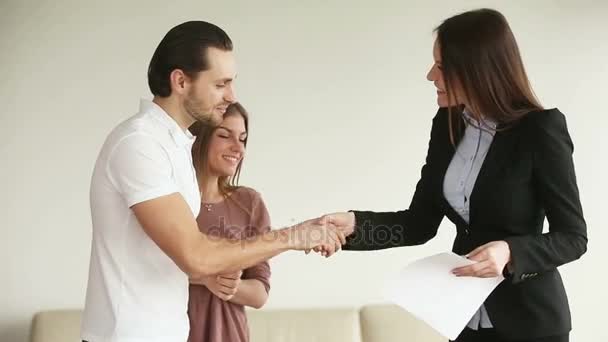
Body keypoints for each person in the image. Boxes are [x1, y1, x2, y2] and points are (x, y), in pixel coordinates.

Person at [321, 8, 587, 342]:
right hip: (464, 320)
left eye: (442, 67)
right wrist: (353, 226)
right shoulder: (447, 125)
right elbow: (418, 224)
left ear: (478, 70)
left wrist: (510, 252)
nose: (431, 75)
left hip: (531, 325)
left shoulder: (540, 130)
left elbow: (573, 237)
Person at [81, 21, 343, 342]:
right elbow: (196, 255)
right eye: (221, 84)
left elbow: (187, 258)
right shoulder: (139, 144)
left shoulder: (175, 146)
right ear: (180, 81)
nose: (231, 95)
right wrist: (293, 236)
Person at [187, 103, 270, 342]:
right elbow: (147, 269)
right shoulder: (168, 201)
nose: (238, 148)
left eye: (243, 139)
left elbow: (260, 293)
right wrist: (205, 277)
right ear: (198, 139)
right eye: (224, 135)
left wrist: (227, 286)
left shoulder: (249, 202)